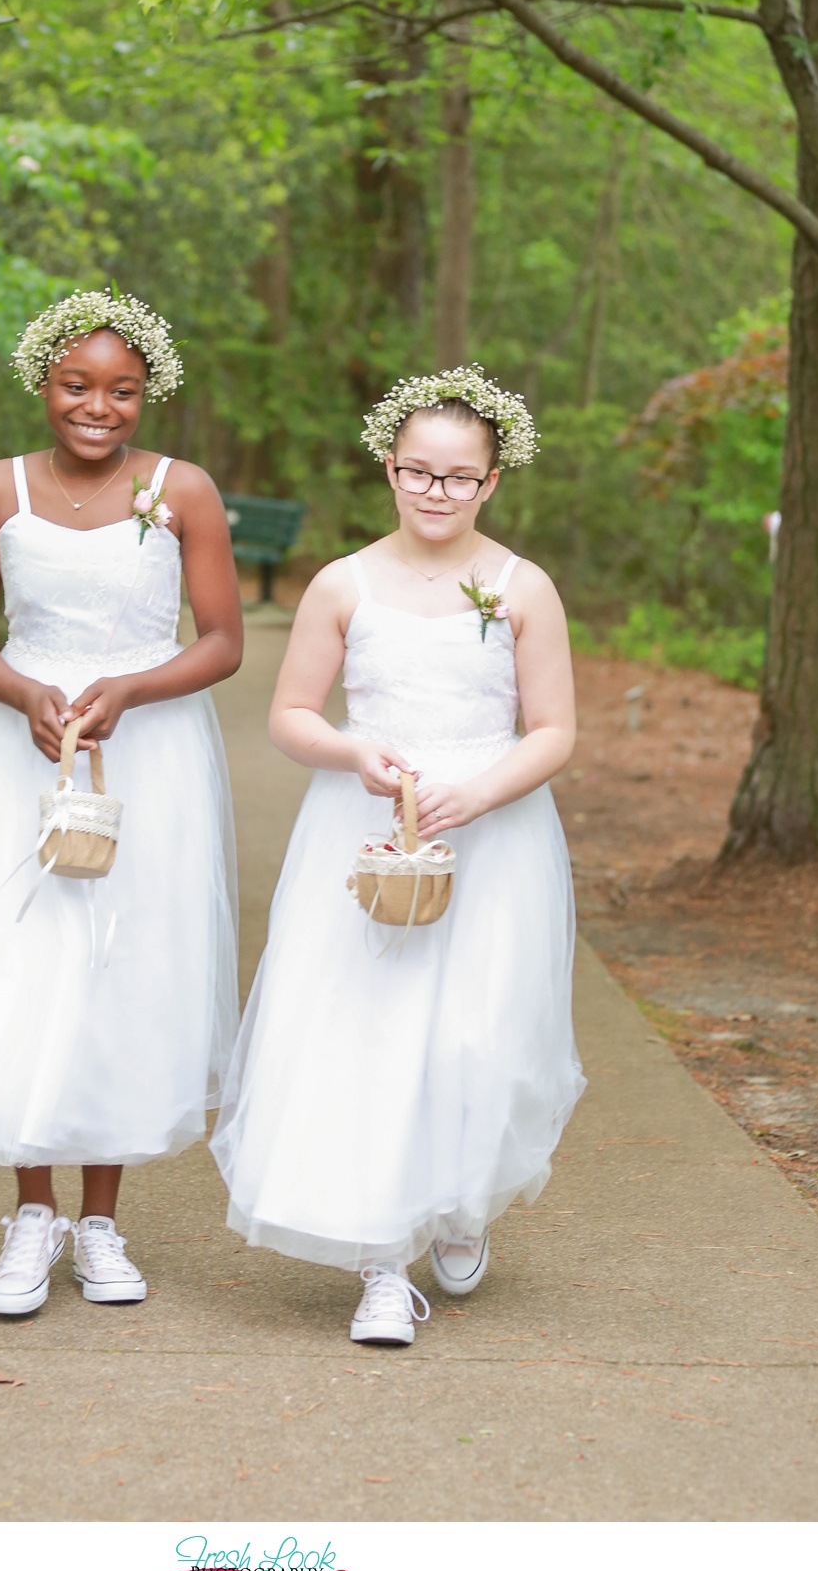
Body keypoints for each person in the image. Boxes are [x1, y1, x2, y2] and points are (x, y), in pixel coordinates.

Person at [212, 368, 584, 1346]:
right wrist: (350, 751)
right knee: (367, 1034)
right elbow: (291, 716)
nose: (436, 492)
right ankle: (381, 1261)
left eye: (459, 478)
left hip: (491, 831)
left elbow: (552, 731)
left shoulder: (519, 588)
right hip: (367, 822)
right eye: (418, 472)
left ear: (492, 481)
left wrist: (483, 788)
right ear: (389, 466)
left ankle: (459, 1205)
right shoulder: (343, 584)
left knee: (477, 1035)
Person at [0, 291, 241, 1318]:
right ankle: (30, 1216)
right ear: (41, 383)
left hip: (151, 755)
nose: (99, 407)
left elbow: (222, 639)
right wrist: (22, 695)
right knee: (28, 964)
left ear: (149, 396)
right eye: (76, 385)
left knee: (124, 971)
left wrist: (133, 690)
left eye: (123, 391)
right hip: (26, 752)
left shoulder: (182, 490)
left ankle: (100, 1224)